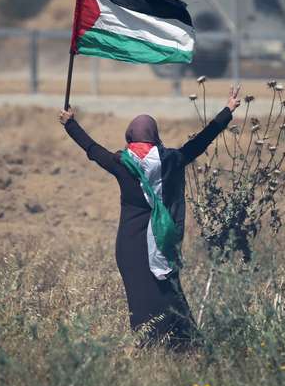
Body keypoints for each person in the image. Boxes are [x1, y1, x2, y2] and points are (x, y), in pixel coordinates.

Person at [59, 85, 242, 349]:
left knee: (140, 297)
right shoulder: (172, 160)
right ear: (155, 136)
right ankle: (181, 345)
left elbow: (91, 148)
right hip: (162, 241)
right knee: (169, 294)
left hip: (130, 245)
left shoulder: (121, 162)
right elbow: (202, 141)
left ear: (129, 137)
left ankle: (149, 346)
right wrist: (228, 110)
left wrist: (70, 124)